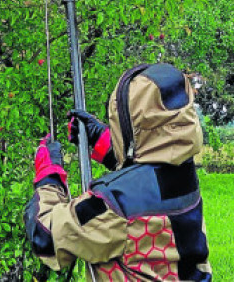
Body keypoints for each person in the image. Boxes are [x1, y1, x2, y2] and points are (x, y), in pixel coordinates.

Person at [24, 63, 211, 281]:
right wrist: (108, 144)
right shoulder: (183, 172)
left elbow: (46, 237)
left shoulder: (114, 203)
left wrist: (49, 176)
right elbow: (149, 180)